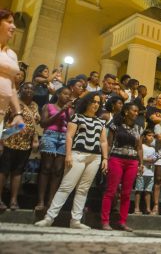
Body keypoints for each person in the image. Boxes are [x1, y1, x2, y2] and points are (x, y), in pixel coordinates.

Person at [35, 92, 108, 229]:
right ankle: (49, 218)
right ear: (87, 102)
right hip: (78, 154)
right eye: (93, 101)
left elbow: (103, 141)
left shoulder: (100, 121)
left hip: (94, 157)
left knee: (83, 190)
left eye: (98, 102)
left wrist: (105, 158)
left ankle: (75, 221)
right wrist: (68, 154)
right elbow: (69, 136)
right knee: (66, 187)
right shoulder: (76, 117)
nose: (96, 104)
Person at [101, 102, 143, 231]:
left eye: (137, 112)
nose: (136, 114)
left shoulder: (139, 128)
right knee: (111, 191)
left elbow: (139, 147)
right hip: (116, 159)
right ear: (126, 112)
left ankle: (122, 222)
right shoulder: (115, 126)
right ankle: (105, 221)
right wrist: (105, 159)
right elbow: (108, 144)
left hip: (132, 162)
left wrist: (141, 163)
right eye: (134, 111)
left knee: (126, 193)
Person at [0, 82, 40, 211]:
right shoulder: (14, 102)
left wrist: (34, 139)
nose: (29, 90)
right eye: (26, 88)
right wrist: (1, 140)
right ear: (20, 89)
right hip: (9, 141)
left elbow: (33, 125)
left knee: (18, 172)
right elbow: (4, 120)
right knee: (3, 171)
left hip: (25, 145)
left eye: (31, 88)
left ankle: (13, 200)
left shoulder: (34, 105)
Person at [35, 86, 73, 211]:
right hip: (49, 136)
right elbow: (43, 123)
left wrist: (66, 111)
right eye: (65, 94)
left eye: (69, 95)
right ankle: (40, 201)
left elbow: (70, 125)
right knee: (46, 168)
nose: (67, 96)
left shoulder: (71, 110)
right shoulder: (48, 106)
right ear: (58, 94)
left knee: (57, 171)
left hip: (63, 139)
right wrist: (61, 111)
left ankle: (50, 201)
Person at [0, 9, 24, 134]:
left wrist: (17, 113)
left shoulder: (12, 55)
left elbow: (12, 86)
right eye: (9, 22)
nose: (14, 26)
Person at [134, 130, 156, 215]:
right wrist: (147, 160)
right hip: (142, 171)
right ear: (144, 137)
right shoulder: (141, 146)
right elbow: (138, 157)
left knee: (148, 190)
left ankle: (147, 208)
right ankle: (136, 208)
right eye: (149, 135)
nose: (151, 137)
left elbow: (154, 158)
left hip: (151, 172)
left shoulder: (153, 149)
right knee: (139, 190)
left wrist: (154, 159)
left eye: (153, 136)